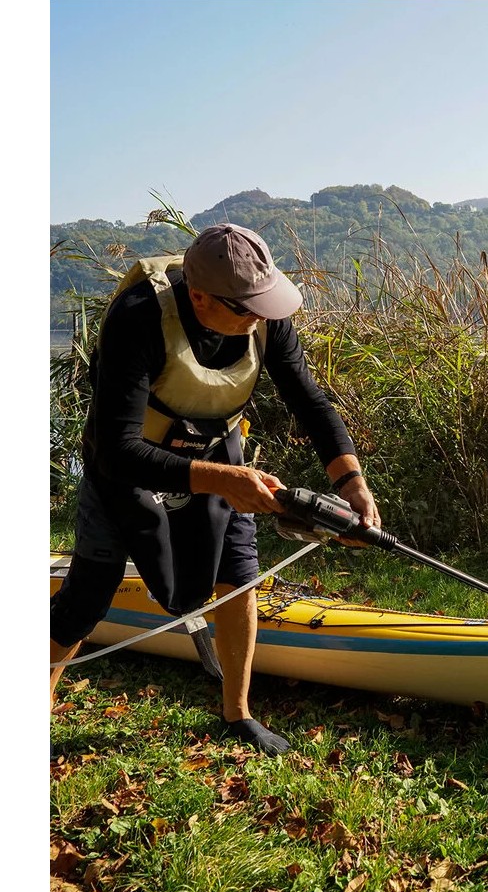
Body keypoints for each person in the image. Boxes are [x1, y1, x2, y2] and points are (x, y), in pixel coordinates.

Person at [50, 223, 380, 755]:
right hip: (129, 460)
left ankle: (238, 713)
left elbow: (310, 402)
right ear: (199, 296)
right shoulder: (139, 317)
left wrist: (351, 481)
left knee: (239, 576)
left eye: (264, 305)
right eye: (246, 309)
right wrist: (221, 480)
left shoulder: (264, 316)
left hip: (216, 447)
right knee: (90, 590)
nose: (260, 318)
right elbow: (116, 450)